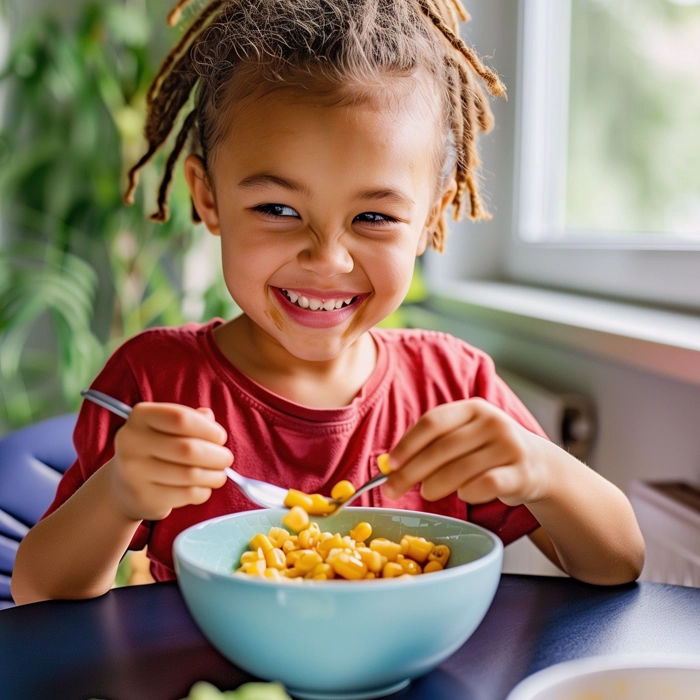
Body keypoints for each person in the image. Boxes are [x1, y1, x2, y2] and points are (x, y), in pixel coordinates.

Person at [12, 0, 644, 604]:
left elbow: (617, 562)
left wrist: (542, 471)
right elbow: (40, 590)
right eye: (278, 209)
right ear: (207, 198)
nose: (328, 259)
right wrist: (119, 493)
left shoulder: (456, 387)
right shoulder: (156, 382)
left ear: (434, 216)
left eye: (373, 216)